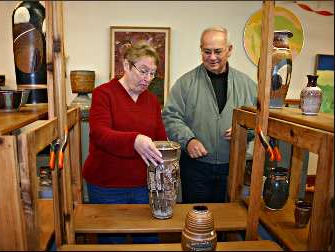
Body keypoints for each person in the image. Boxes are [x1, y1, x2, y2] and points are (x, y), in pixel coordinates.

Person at [82, 41, 166, 243]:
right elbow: (100, 134)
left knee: (148, 241)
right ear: (126, 66)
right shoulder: (104, 93)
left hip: (144, 186)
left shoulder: (152, 101)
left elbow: (161, 139)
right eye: (143, 71)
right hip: (107, 187)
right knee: (112, 243)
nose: (148, 79)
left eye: (152, 73)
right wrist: (134, 140)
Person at [162, 26, 257, 203]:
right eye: (207, 51)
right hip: (195, 167)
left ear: (229, 50)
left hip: (234, 166)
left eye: (217, 51)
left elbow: (258, 122)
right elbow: (170, 116)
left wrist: (244, 132)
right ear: (201, 50)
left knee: (227, 219)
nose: (212, 57)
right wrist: (188, 140)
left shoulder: (248, 85)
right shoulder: (185, 83)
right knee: (196, 218)